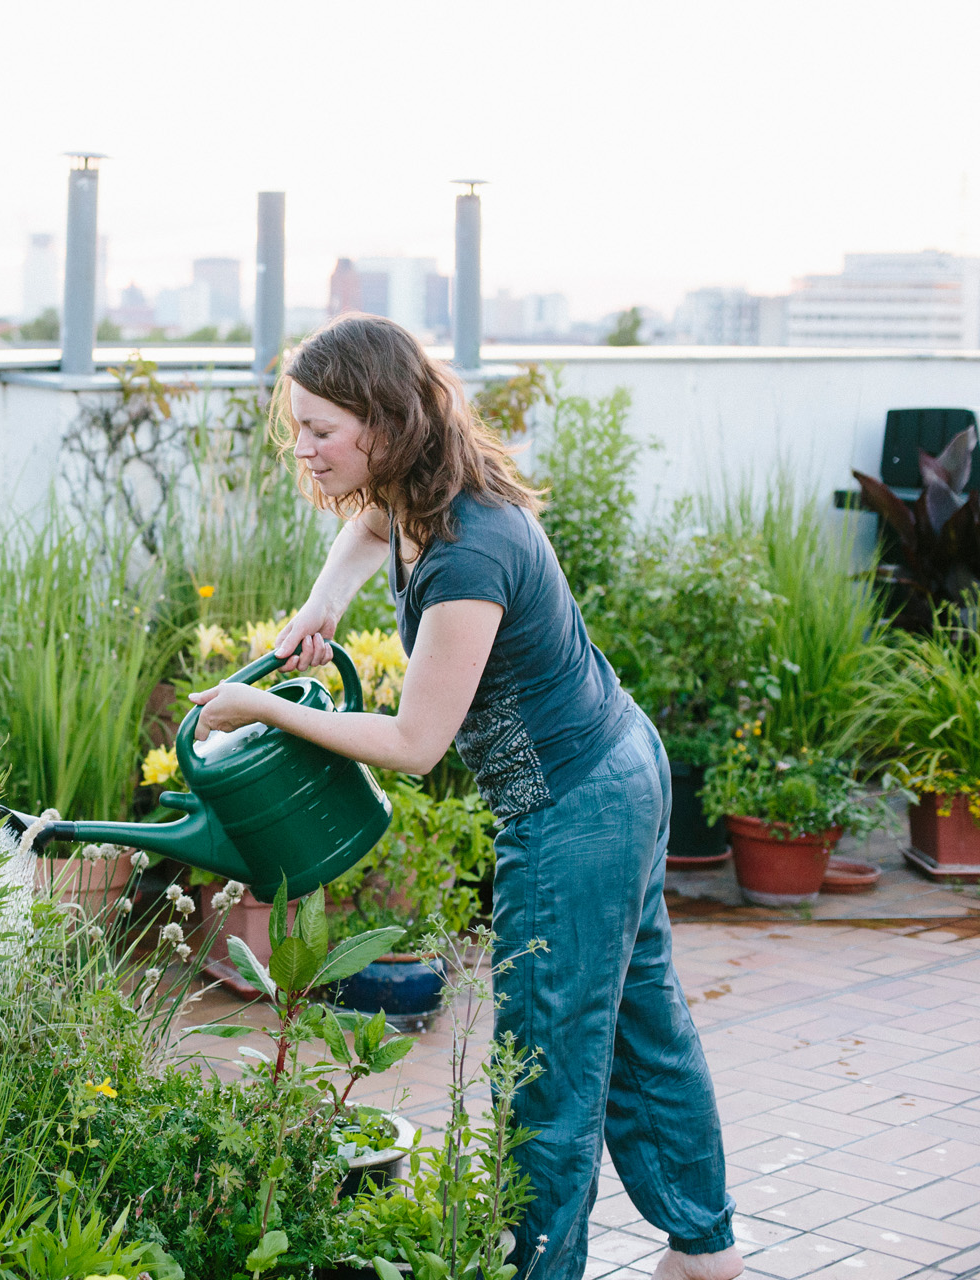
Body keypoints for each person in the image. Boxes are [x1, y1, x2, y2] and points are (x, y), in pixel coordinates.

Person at [187, 314, 742, 1280]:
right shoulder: (417, 491)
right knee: (643, 1025)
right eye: (298, 425)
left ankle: (549, 1270)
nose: (304, 448)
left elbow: (413, 742)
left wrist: (261, 712)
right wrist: (325, 602)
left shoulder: (467, 557)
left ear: (385, 422)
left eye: (322, 429)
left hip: (576, 807)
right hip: (613, 766)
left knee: (545, 1067)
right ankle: (706, 1253)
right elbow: (367, 527)